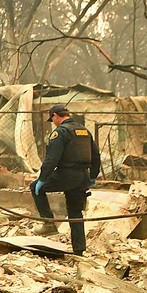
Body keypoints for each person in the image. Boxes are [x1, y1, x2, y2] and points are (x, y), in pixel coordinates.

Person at [30, 103, 101, 255]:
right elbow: (96, 155)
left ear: (55, 116)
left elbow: (51, 158)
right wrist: (92, 176)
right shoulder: (84, 130)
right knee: (75, 212)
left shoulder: (60, 132)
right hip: (82, 176)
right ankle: (79, 250)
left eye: (52, 119)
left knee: (35, 187)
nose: (53, 122)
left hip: (67, 174)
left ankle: (48, 223)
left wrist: (43, 178)